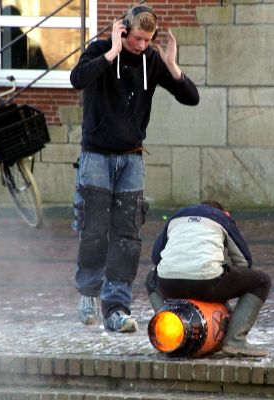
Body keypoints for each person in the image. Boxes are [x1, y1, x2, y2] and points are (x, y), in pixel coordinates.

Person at [70, 4, 199, 333]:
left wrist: (172, 66)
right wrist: (112, 52)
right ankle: (88, 291)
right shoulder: (101, 50)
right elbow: (77, 79)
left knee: (127, 235)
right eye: (137, 39)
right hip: (96, 155)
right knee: (95, 228)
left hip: (132, 156)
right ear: (123, 30)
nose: (142, 45)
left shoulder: (152, 61)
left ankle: (116, 307)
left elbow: (191, 98)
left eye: (148, 40)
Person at [145, 200, 272, 357]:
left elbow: (156, 258)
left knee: (151, 278)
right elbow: (244, 262)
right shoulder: (222, 218)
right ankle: (235, 341)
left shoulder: (177, 216)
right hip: (208, 282)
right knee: (262, 281)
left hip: (168, 284)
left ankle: (168, 323)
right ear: (224, 212)